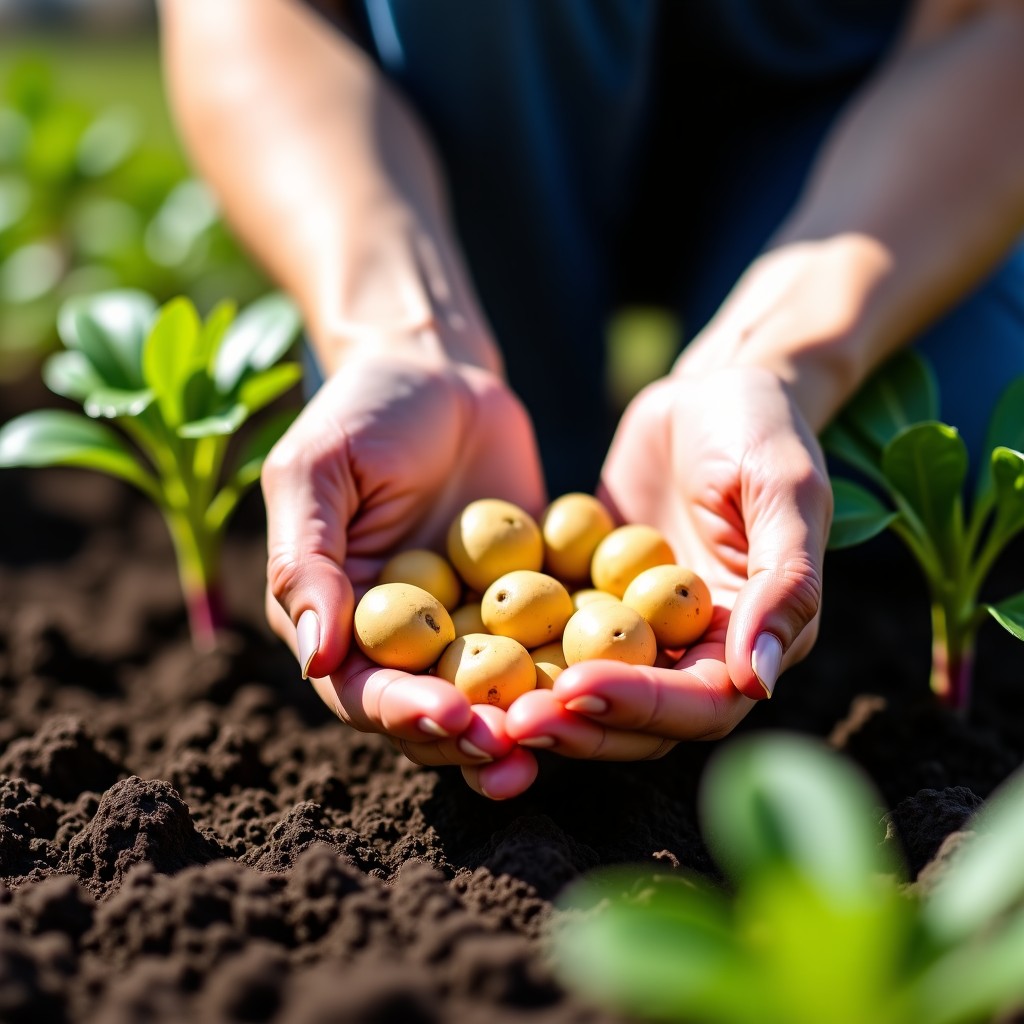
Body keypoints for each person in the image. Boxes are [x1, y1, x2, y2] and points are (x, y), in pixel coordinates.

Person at [157, 0, 1024, 800]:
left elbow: (989, 23)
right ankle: (528, 413)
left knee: (950, 402)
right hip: (489, 114)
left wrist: (778, 360)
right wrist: (397, 331)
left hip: (844, 118)